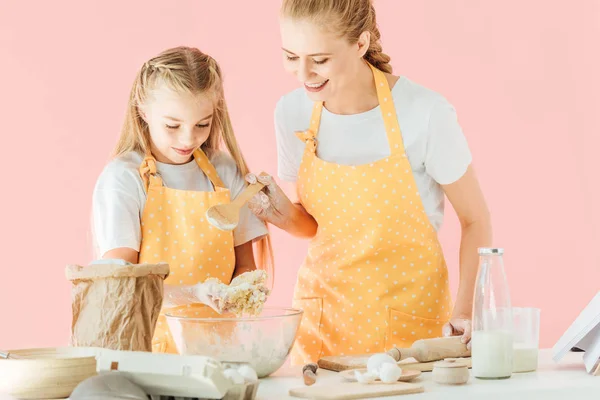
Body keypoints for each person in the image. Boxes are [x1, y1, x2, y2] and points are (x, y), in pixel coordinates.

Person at [247, 0, 492, 365]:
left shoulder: (424, 112)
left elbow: (476, 221)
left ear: (360, 44)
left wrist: (465, 312)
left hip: (408, 329)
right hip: (322, 322)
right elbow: (315, 226)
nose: (303, 74)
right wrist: (280, 212)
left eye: (319, 59)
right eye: (290, 57)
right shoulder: (292, 111)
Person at [92, 46, 272, 353]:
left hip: (218, 348)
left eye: (202, 124)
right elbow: (121, 282)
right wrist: (193, 293)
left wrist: (239, 292)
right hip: (147, 349)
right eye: (172, 126)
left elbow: (246, 267)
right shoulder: (124, 178)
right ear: (143, 110)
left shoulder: (224, 171)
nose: (189, 139)